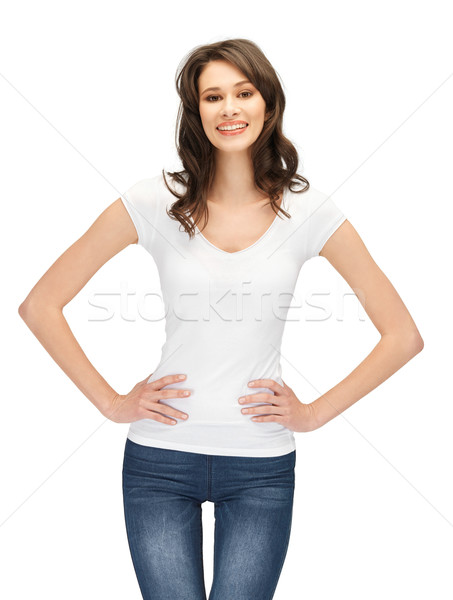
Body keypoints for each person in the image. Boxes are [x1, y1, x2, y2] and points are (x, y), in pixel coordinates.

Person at [18, 38, 424, 600]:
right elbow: (40, 305)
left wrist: (313, 413)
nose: (229, 108)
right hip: (159, 461)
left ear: (267, 104)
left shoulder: (308, 211)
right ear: (196, 111)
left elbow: (403, 336)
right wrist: (112, 403)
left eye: (243, 92)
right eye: (213, 96)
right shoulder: (152, 201)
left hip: (260, 466)